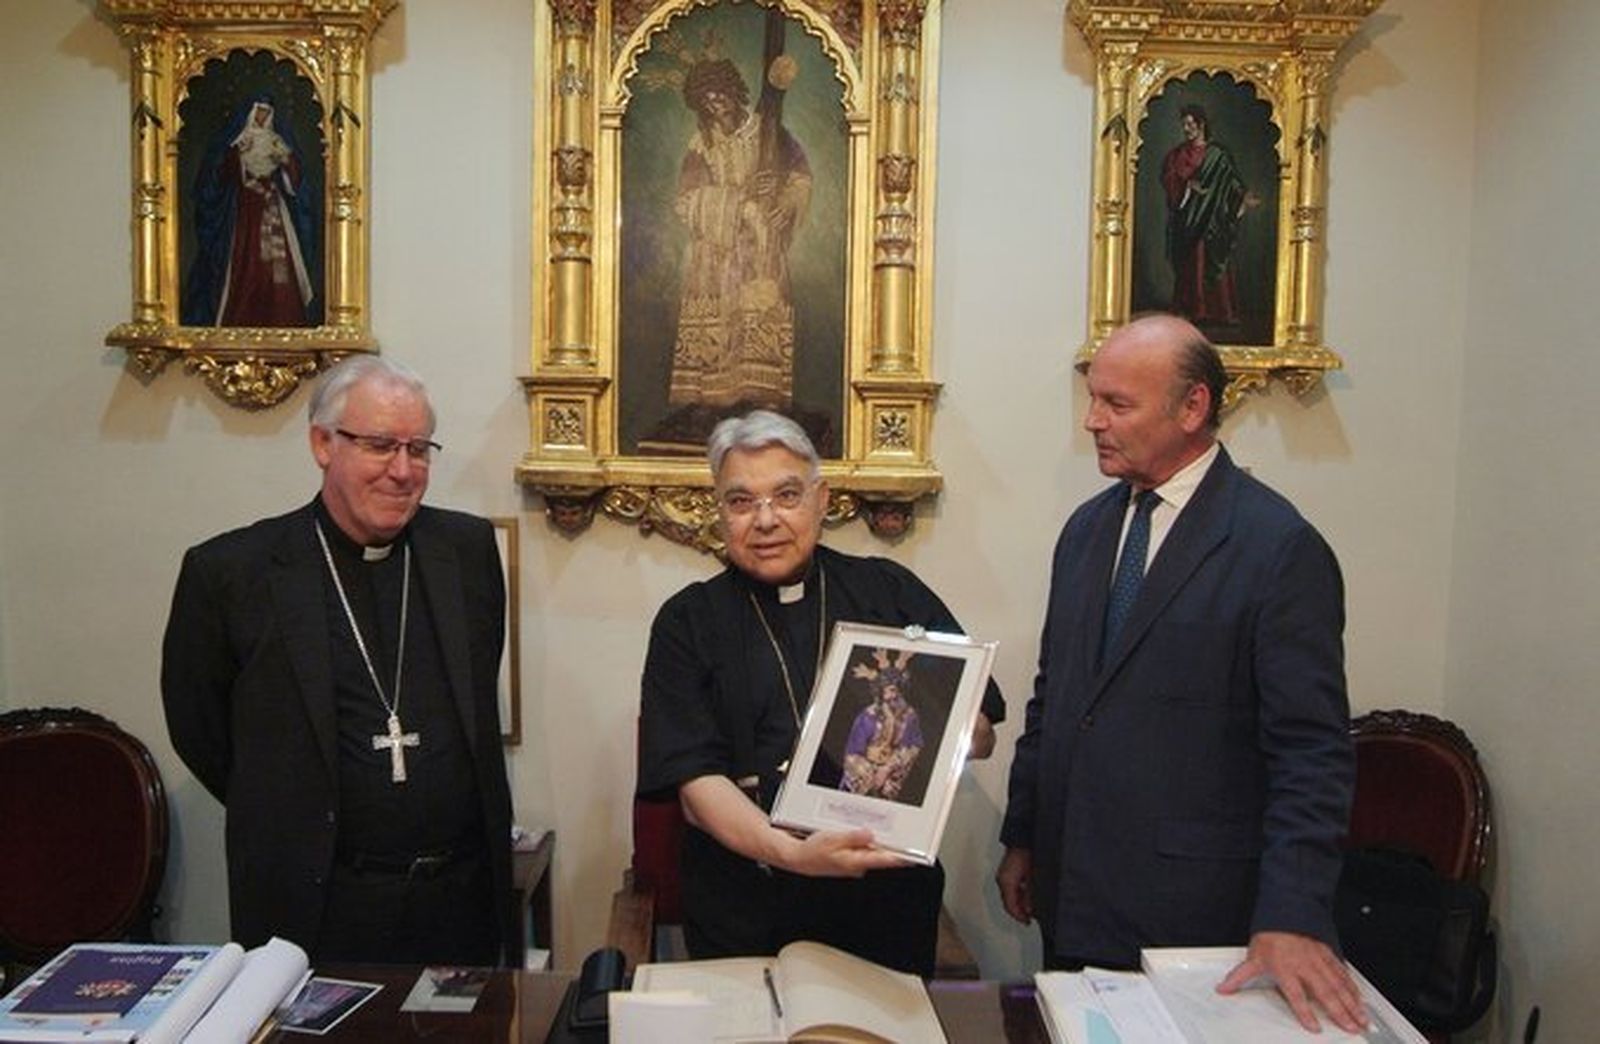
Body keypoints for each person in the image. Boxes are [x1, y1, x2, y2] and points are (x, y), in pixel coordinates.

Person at [997, 314, 1366, 1033]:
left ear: (1192, 408)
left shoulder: (1277, 549)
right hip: (1074, 897)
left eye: (1117, 405)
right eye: (1093, 399)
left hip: (1193, 915)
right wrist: (1026, 835)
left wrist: (1294, 913)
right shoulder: (1086, 530)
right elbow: (1057, 698)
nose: (1092, 422)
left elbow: (1312, 753)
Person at [161, 355, 514, 965]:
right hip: (316, 906)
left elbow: (477, 693)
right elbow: (203, 732)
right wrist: (289, 805)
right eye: (380, 446)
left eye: (419, 449)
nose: (403, 471)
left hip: (458, 902)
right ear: (323, 443)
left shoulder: (469, 552)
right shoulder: (232, 573)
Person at [637, 410, 1003, 977]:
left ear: (820, 499)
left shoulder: (889, 592)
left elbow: (981, 732)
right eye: (741, 501)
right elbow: (693, 783)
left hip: (882, 903)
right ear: (719, 510)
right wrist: (789, 853)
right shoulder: (687, 621)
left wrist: (946, 725)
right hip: (745, 903)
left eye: (786, 495)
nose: (765, 520)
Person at [666, 57, 811, 414]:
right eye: (709, 100)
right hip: (716, 252)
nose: (718, 105)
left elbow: (800, 177)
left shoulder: (769, 131)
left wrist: (783, 198)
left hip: (760, 247)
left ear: (735, 91)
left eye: (722, 95)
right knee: (718, 320)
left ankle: (763, 396)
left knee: (759, 314)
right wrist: (738, 204)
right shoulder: (701, 144)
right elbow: (687, 201)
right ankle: (713, 398)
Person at [182, 98, 318, 328]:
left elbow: (293, 176)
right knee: (248, 256)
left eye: (266, 113)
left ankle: (282, 316)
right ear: (251, 113)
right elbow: (223, 172)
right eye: (259, 112)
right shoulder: (240, 140)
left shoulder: (276, 141)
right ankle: (242, 315)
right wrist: (237, 159)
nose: (262, 118)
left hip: (271, 203)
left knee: (278, 260)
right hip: (246, 205)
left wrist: (284, 161)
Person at [1160, 104, 1260, 328]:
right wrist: (1187, 185)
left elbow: (1231, 181)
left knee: (1212, 260)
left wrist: (1242, 198)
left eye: (1190, 124)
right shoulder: (1177, 154)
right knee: (1191, 262)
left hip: (1213, 219)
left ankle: (1218, 311)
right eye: (1184, 125)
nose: (1186, 129)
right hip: (1189, 219)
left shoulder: (1218, 154)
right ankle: (1193, 310)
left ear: (1201, 124)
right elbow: (1169, 178)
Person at [839, 652, 925, 801]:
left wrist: (888, 769)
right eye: (889, 691)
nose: (894, 696)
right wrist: (871, 775)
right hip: (865, 776)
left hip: (891, 776)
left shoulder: (909, 716)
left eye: (897, 690)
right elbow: (852, 754)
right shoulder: (867, 717)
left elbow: (914, 746)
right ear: (879, 692)